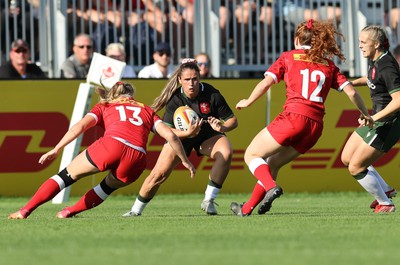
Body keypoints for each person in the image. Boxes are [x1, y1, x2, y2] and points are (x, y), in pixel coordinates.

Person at [230, 19, 373, 216]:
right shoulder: (328, 65)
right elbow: (351, 93)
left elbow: (265, 84)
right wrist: (365, 114)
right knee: (272, 164)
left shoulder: (288, 57)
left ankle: (271, 187)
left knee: (252, 155)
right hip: (314, 127)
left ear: (297, 39)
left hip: (293, 117)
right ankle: (246, 209)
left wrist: (248, 101)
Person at [8, 81, 195, 219]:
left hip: (112, 145)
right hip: (137, 156)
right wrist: (186, 160)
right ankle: (69, 211)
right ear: (132, 95)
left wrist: (56, 148)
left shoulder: (105, 105)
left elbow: (79, 127)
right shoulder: (146, 110)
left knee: (65, 177)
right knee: (106, 187)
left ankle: (25, 210)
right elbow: (170, 136)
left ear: (114, 94)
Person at [123, 58, 238, 216]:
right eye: (187, 80)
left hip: (206, 135)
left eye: (195, 79)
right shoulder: (175, 100)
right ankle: (135, 211)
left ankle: (209, 201)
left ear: (200, 78)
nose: (191, 84)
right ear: (179, 80)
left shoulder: (212, 94)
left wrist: (222, 127)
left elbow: (233, 120)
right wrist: (187, 133)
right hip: (180, 139)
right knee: (159, 174)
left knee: (226, 153)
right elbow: (166, 131)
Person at [341, 25, 400, 213]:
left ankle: (385, 203)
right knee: (346, 158)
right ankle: (386, 190)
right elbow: (371, 78)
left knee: (356, 167)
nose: (359, 46)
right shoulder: (375, 60)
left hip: (388, 123)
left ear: (376, 44)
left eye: (363, 42)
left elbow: (399, 100)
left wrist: (374, 117)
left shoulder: (387, 65)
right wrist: (345, 83)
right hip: (376, 119)